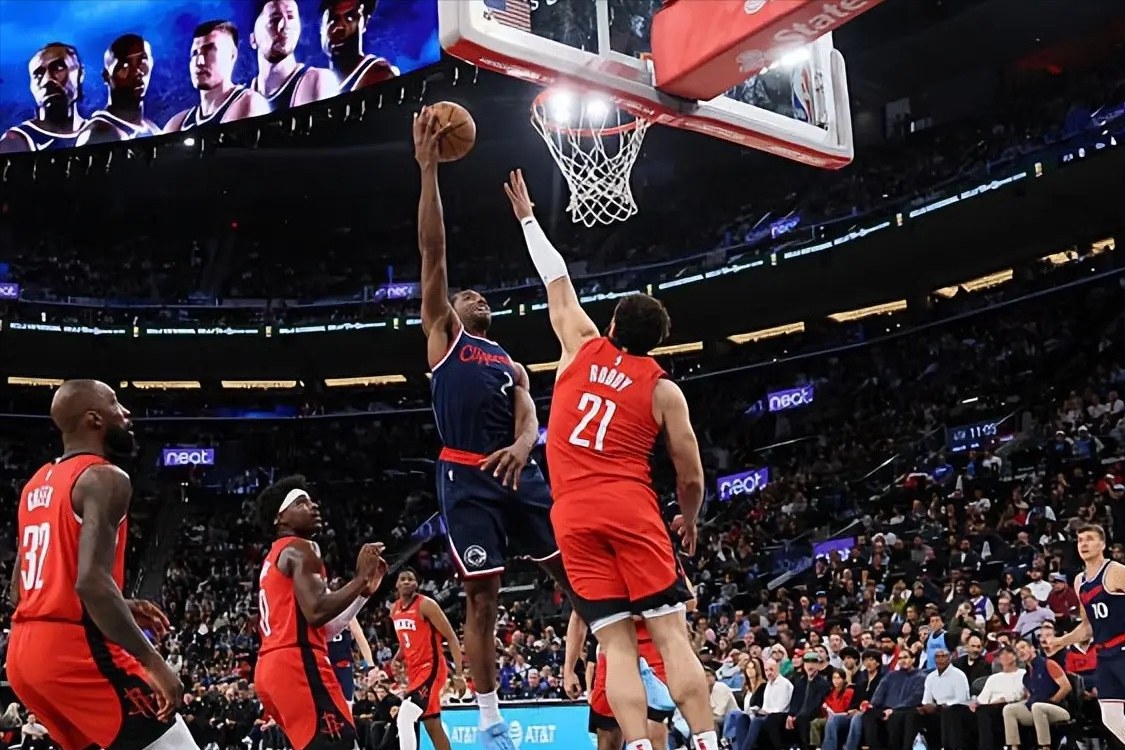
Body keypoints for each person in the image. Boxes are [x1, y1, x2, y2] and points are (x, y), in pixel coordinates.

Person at [505, 167, 714, 750]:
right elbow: (691, 475)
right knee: (671, 635)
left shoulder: (579, 346)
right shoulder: (663, 389)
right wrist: (689, 518)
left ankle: (637, 744)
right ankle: (706, 740)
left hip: (571, 514)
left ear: (614, 323)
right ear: (656, 343)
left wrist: (528, 219)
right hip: (629, 505)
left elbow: (557, 280)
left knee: (615, 646)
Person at [413, 110, 571, 750]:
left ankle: (624, 656)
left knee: (572, 572)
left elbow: (529, 410)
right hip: (466, 473)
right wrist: (428, 172)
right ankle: (488, 718)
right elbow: (434, 254)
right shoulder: (444, 337)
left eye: (483, 296)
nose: (478, 297)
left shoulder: (509, 361)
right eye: (467, 294)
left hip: (519, 469)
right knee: (483, 597)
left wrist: (526, 444)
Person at [5, 379, 197, 750]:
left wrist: (118, 604)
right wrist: (153, 662)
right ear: (94, 419)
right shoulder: (104, 478)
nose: (126, 413)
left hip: (23, 657)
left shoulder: (35, 485)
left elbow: (19, 591)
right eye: (115, 404)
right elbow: (91, 583)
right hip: (73, 651)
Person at [254, 475, 388, 750]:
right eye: (301, 503)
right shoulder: (301, 548)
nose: (313, 506)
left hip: (272, 667)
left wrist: (362, 594)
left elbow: (322, 628)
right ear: (280, 518)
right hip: (298, 665)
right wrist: (360, 578)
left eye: (311, 501)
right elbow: (317, 612)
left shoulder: (275, 556)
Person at [1046, 523, 1125, 743]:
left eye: (1090, 539)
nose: (1084, 544)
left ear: (1103, 544)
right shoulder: (1080, 581)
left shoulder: (1115, 571)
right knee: (1111, 716)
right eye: (1080, 540)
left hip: (1123, 647)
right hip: (1104, 655)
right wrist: (1061, 641)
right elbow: (1087, 626)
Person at [388, 569, 462, 750]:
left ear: (416, 584)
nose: (406, 582)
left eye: (410, 579)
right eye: (402, 579)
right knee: (433, 725)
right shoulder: (394, 609)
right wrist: (397, 657)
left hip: (431, 669)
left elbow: (451, 637)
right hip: (414, 672)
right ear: (396, 584)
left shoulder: (426, 605)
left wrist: (459, 674)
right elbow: (407, 639)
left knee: (405, 716)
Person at [164, 20, 270, 132]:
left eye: (209, 51)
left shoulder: (249, 103)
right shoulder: (176, 124)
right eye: (195, 53)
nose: (199, 61)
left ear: (232, 55)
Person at [250, 0, 338, 110]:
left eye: (291, 17)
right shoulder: (244, 99)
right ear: (253, 39)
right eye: (274, 19)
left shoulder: (318, 81)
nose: (285, 25)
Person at [75, 34, 160, 145]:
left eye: (142, 62)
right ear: (106, 76)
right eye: (124, 67)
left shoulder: (151, 128)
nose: (136, 72)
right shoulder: (97, 133)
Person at [0, 43, 86, 152]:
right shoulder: (16, 141)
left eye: (58, 68)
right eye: (38, 75)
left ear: (80, 73)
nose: (47, 80)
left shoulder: (98, 129)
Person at [1001, 639, 1071, 750]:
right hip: (1037, 711)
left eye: (1023, 647)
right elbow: (1030, 696)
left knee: (1037, 706)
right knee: (1009, 709)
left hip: (1058, 709)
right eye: (1017, 650)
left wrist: (1052, 701)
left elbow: (1066, 687)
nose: (1021, 651)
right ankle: (1014, 747)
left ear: (1032, 648)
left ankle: (1045, 747)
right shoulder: (1026, 676)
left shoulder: (1048, 664)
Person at [319, 0, 398, 93]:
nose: (339, 27)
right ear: (321, 28)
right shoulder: (320, 81)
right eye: (332, 19)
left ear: (364, 22)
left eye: (350, 17)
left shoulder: (378, 74)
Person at [326, 577, 376, 708]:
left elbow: (361, 638)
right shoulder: (317, 613)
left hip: (340, 665)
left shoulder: (348, 616)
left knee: (346, 705)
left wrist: (371, 665)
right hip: (323, 664)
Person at [970, 645, 1025, 750]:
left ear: (1015, 656)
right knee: (962, 711)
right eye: (1001, 654)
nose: (1004, 656)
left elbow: (1018, 694)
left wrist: (1001, 700)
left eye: (1008, 653)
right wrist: (975, 703)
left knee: (986, 712)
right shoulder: (993, 678)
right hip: (989, 706)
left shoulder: (1022, 674)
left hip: (1008, 706)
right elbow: (982, 698)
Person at [917, 647, 970, 750]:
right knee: (915, 713)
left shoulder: (958, 675)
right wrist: (927, 706)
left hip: (957, 709)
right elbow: (926, 699)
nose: (940, 659)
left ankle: (949, 747)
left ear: (950, 658)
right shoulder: (930, 677)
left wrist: (943, 705)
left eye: (944, 656)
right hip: (937, 709)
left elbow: (962, 698)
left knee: (947, 711)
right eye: (937, 657)